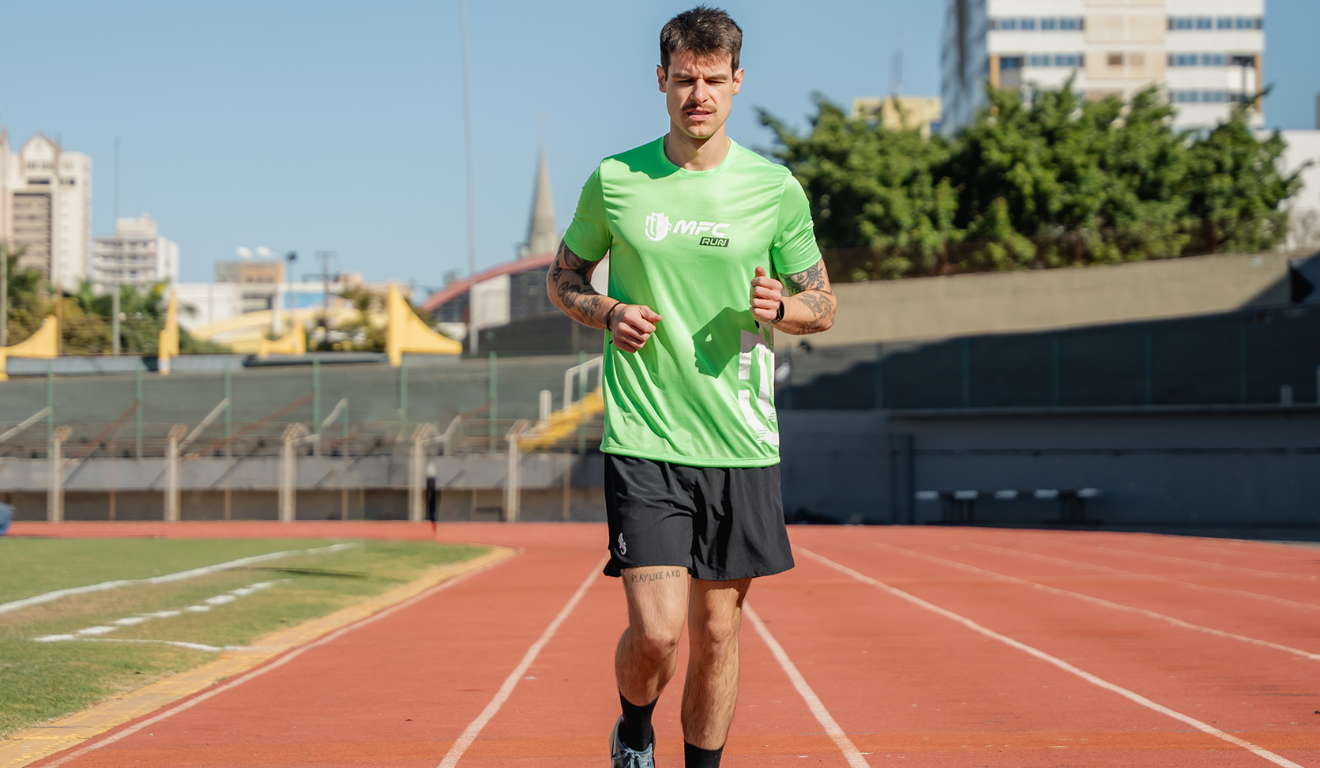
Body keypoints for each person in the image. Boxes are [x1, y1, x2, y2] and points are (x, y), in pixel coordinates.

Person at [546, 6, 837, 767]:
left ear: (737, 81)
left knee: (717, 631)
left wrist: (788, 309)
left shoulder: (774, 190)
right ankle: (634, 724)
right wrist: (607, 311)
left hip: (740, 441)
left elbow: (825, 303)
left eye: (713, 80)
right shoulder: (617, 180)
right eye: (684, 80)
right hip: (645, 438)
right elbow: (562, 277)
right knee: (660, 631)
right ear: (661, 82)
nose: (697, 94)